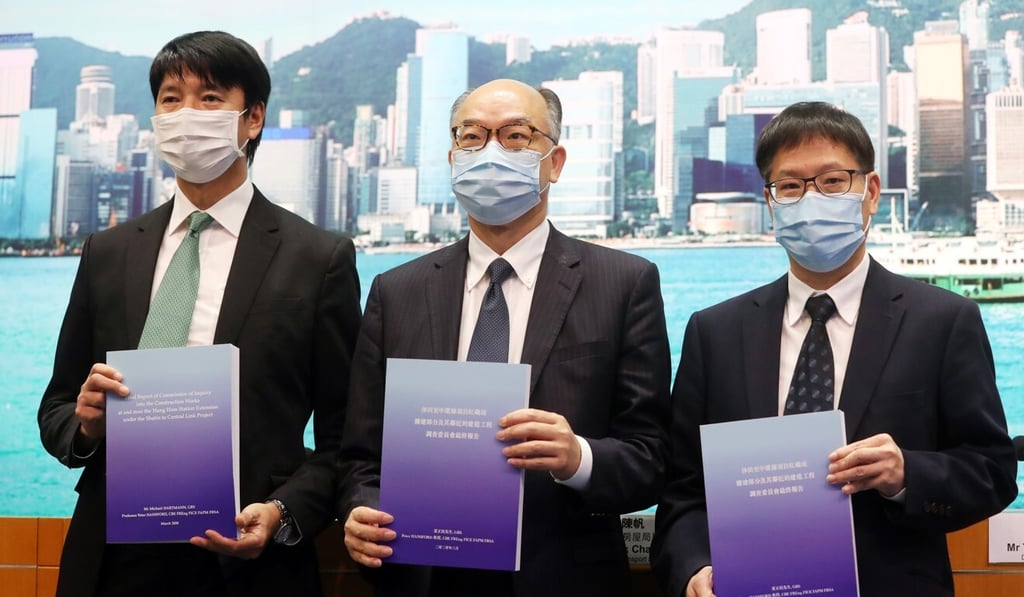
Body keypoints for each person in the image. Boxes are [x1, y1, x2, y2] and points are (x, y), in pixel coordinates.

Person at [37, 31, 362, 597]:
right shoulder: (108, 251)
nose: (186, 113)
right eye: (170, 98)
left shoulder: (317, 258)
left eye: (209, 98)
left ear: (252, 118)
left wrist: (284, 512)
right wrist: (86, 424)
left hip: (247, 564)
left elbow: (347, 437)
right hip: (112, 559)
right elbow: (58, 407)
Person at [650, 101, 1018, 597]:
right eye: (791, 186)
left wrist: (906, 473)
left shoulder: (942, 321)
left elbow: (993, 471)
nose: (811, 199)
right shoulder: (715, 332)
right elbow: (685, 493)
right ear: (770, 200)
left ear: (870, 193)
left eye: (831, 181)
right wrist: (694, 569)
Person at [337, 78, 671, 597]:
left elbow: (651, 456)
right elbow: (360, 454)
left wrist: (577, 457)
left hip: (562, 576)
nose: (490, 152)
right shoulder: (395, 291)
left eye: (516, 136)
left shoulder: (625, 284)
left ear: (554, 162)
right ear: (452, 157)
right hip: (421, 577)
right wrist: (360, 507)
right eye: (472, 136)